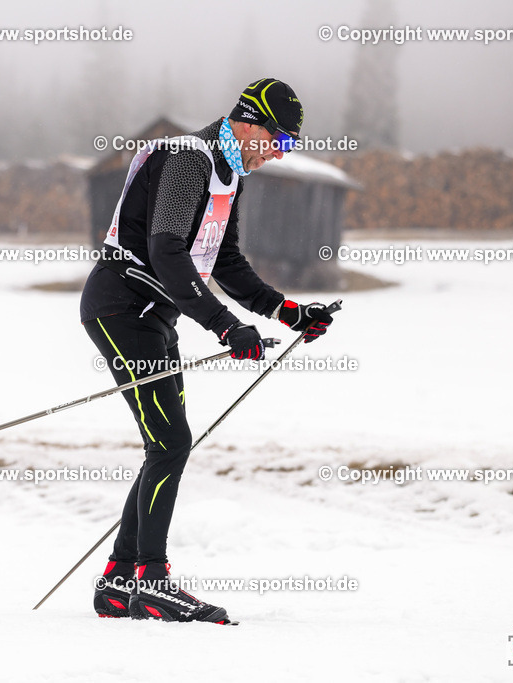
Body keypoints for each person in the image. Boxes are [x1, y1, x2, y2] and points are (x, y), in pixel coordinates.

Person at [81, 78, 334, 624]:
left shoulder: (229, 175)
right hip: (120, 311)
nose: (278, 154)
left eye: (288, 146)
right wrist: (225, 327)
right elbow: (166, 251)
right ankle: (151, 581)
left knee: (165, 445)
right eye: (279, 141)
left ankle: (119, 583)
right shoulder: (187, 159)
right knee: (170, 443)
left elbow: (224, 263)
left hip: (153, 320)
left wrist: (289, 313)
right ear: (247, 123)